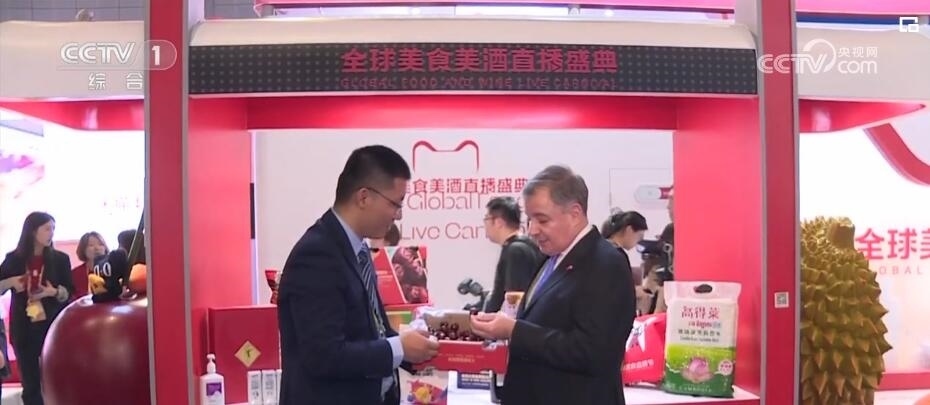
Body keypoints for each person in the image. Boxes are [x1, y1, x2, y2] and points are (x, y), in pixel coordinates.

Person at [277, 145, 439, 405]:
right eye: (395, 204)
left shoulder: (358, 250)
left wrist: (414, 347)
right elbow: (323, 355)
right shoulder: (317, 255)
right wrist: (398, 348)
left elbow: (373, 331)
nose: (398, 215)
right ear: (364, 197)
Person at [470, 165, 636, 405]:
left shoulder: (606, 263)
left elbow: (593, 351)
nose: (532, 230)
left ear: (575, 214)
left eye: (542, 220)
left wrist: (514, 331)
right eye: (530, 219)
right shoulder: (552, 258)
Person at [0, 212, 75, 405]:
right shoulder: (14, 259)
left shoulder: (60, 259)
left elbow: (70, 292)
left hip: (52, 326)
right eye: (47, 229)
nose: (51, 233)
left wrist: (53, 292)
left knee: (58, 379)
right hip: (24, 327)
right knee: (31, 383)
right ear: (33, 231)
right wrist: (11, 282)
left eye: (53, 229)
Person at [482, 196, 544, 314]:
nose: (485, 225)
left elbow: (515, 299)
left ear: (499, 222)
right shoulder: (525, 246)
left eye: (486, 219)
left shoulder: (516, 251)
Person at [601, 210, 648, 285]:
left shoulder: (601, 248)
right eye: (640, 236)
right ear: (629, 230)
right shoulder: (617, 256)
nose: (640, 241)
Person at [72, 231, 109, 300]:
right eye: (91, 245)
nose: (97, 248)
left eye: (100, 244)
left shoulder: (111, 270)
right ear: (83, 249)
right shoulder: (75, 273)